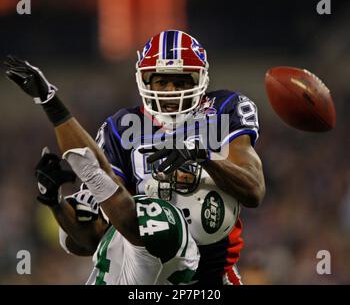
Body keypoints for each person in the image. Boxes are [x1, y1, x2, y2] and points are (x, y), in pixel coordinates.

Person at [4, 29, 266, 284]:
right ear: (145, 81)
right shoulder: (120, 128)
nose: (172, 90)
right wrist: (55, 203)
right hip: (150, 275)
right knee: (146, 222)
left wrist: (203, 157)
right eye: (162, 81)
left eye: (181, 81)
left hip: (213, 274)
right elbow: (90, 239)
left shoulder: (224, 109)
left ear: (200, 81)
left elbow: (254, 189)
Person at [4, 57, 200, 285]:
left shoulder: (151, 232)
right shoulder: (118, 234)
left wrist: (50, 102)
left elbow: (115, 202)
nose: (85, 222)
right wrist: (55, 202)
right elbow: (82, 240)